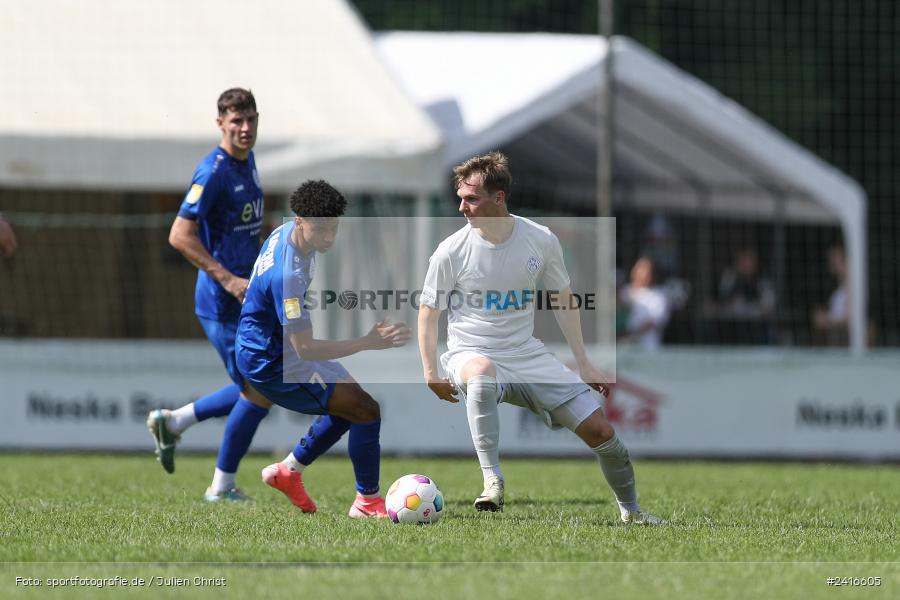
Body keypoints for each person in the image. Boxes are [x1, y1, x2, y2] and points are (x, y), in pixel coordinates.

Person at [417, 151, 664, 525]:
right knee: (481, 372)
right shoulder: (451, 251)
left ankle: (633, 514)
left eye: (471, 199)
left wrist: (583, 362)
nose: (461, 207)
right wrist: (430, 370)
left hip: (526, 355)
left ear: (498, 198)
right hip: (470, 352)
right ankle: (492, 481)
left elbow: (564, 300)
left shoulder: (540, 239)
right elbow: (428, 311)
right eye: (460, 198)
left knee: (603, 433)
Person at [237, 179, 409, 517]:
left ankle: (288, 472)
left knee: (352, 406)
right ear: (299, 220)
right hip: (272, 361)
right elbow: (306, 348)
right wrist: (367, 342)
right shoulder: (289, 276)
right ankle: (367, 503)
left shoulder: (288, 235)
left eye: (334, 228)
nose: (328, 237)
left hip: (269, 345)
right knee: (365, 411)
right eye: (321, 229)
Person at [146, 88, 272, 501]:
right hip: (222, 301)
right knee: (261, 387)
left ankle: (176, 423)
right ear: (220, 123)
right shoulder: (213, 171)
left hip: (247, 295)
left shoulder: (248, 160)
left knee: (260, 385)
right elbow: (179, 235)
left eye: (251, 119)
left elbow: (247, 223)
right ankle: (220, 485)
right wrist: (228, 279)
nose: (246, 128)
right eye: (237, 121)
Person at [619, 256, 670, 350]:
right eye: (640, 268)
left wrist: (631, 335)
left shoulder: (659, 297)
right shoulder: (623, 293)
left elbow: (653, 323)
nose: (643, 273)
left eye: (647, 270)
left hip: (647, 350)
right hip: (623, 350)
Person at [717, 248, 775, 318]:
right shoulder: (730, 277)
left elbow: (768, 307)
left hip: (756, 322)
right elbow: (722, 300)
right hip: (731, 321)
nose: (745, 265)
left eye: (749, 261)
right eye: (742, 260)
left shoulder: (763, 281)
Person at [812, 245, 849, 345]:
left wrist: (826, 319)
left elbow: (851, 319)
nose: (832, 262)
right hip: (835, 343)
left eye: (836, 258)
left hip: (845, 344)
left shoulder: (853, 288)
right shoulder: (838, 290)